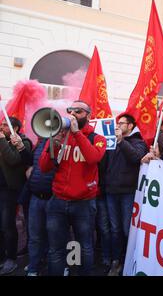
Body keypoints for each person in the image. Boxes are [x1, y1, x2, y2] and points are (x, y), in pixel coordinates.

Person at [39, 100, 107, 276]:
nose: (73, 114)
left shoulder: (97, 139)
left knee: (84, 247)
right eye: (71, 110)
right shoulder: (59, 134)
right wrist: (54, 144)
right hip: (58, 202)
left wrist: (77, 133)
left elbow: (93, 158)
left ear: (88, 116)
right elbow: (44, 167)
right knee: (56, 250)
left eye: (79, 111)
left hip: (84, 203)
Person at [103, 113, 147, 276]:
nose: (118, 126)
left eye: (122, 123)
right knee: (114, 229)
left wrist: (121, 141)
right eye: (117, 123)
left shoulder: (138, 142)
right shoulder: (112, 142)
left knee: (127, 229)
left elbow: (136, 158)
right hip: (111, 191)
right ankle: (116, 261)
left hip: (127, 193)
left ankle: (128, 260)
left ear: (130, 126)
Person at [0, 117, 32, 275]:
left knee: (7, 225)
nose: (2, 127)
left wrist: (2, 141)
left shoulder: (23, 142)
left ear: (16, 128)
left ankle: (11, 258)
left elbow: (12, 160)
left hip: (10, 191)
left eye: (5, 125)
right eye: (2, 124)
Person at [23, 137, 55, 276]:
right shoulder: (38, 144)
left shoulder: (62, 143)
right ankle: (33, 267)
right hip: (36, 196)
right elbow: (30, 162)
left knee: (54, 236)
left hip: (53, 198)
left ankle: (55, 266)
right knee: (35, 236)